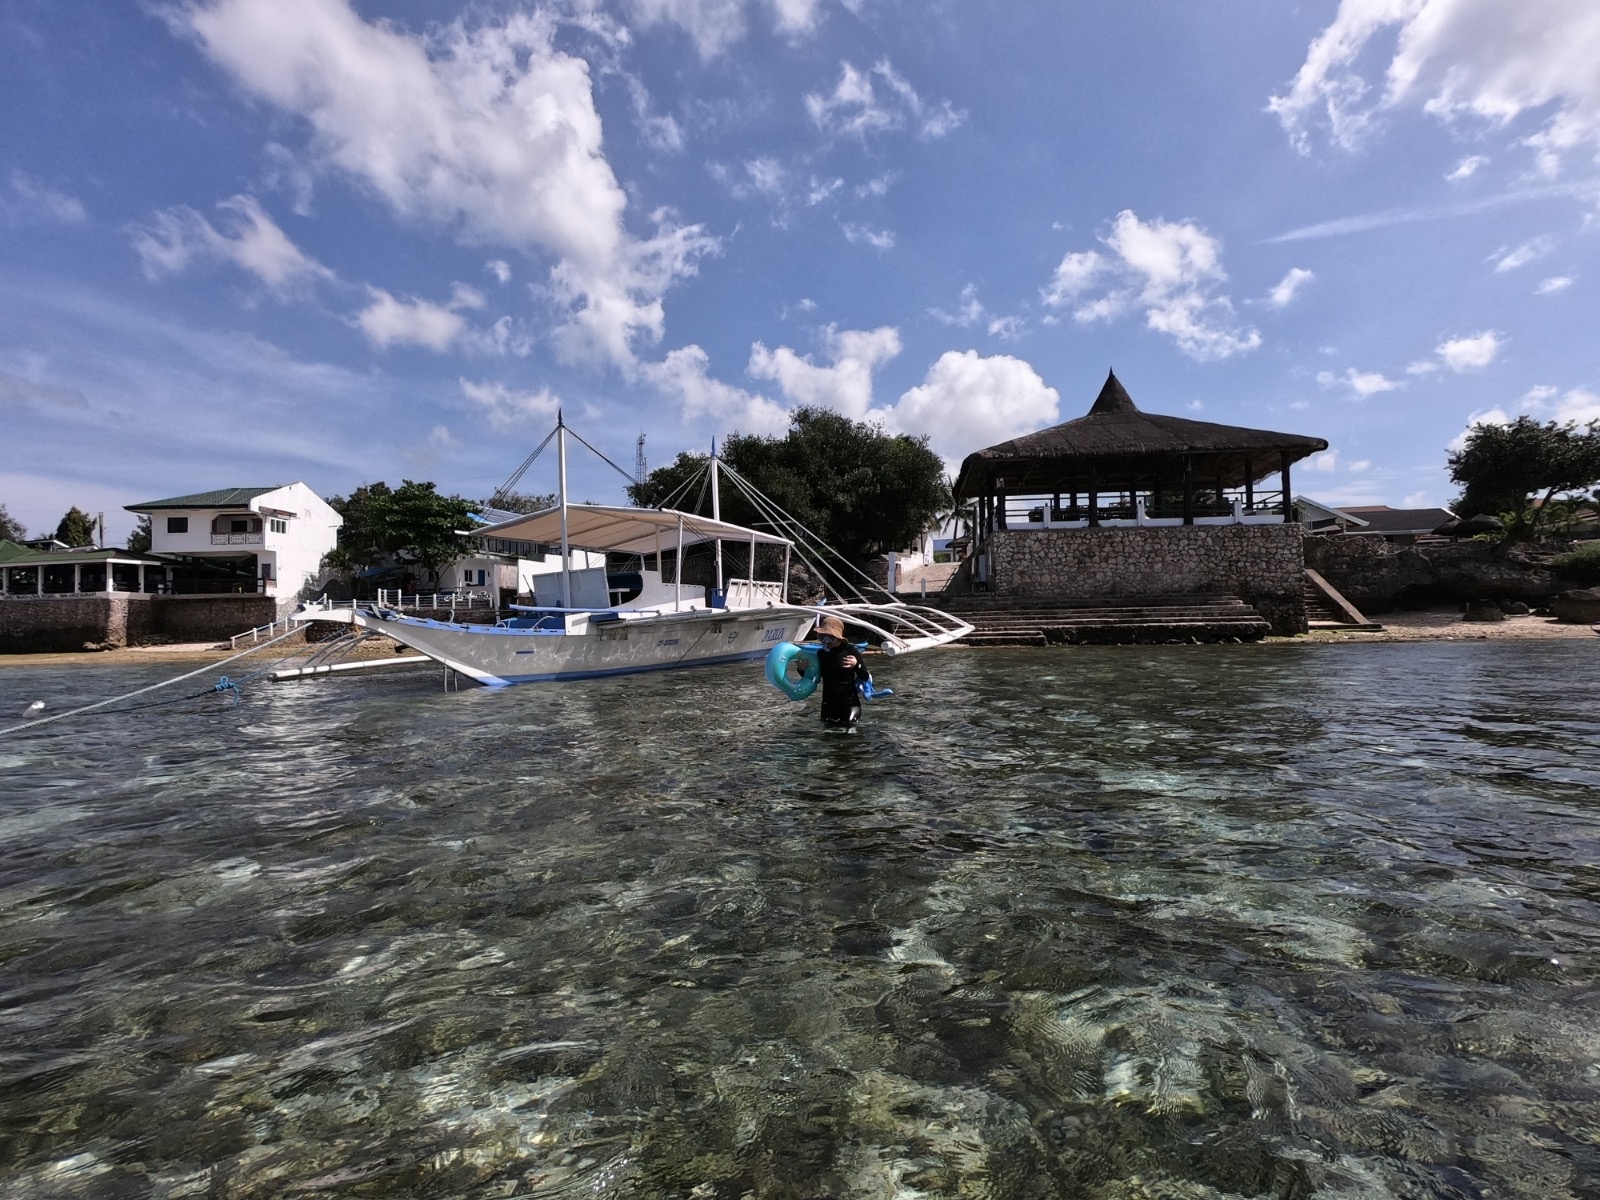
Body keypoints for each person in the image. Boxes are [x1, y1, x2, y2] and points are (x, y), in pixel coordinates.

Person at [813, 614, 870, 728]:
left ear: (838, 637)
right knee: (829, 739)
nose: (826, 641)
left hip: (849, 704)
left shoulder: (850, 650)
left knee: (848, 733)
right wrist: (801, 667)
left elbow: (865, 676)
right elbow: (813, 677)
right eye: (822, 637)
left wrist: (856, 665)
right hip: (828, 705)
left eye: (831, 637)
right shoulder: (821, 654)